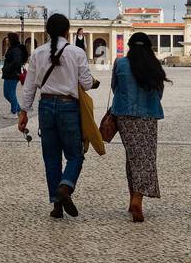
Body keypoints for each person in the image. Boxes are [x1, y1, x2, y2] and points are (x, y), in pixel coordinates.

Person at [18, 13, 99, 219]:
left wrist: (23, 112)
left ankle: (56, 206)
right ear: (67, 31)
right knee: (75, 154)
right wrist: (94, 82)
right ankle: (66, 186)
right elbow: (87, 83)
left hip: (45, 106)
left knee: (51, 157)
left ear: (47, 31)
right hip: (68, 106)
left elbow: (30, 86)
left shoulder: (37, 53)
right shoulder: (76, 52)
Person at [110, 32, 168, 222]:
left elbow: (114, 87)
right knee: (146, 158)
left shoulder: (120, 64)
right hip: (148, 116)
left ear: (129, 46)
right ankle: (137, 199)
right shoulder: (154, 65)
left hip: (124, 117)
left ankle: (132, 199)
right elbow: (159, 92)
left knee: (132, 156)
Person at [0, 32, 28, 116]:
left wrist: (6, 68)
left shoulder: (16, 49)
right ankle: (18, 110)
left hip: (13, 74)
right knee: (6, 94)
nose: (7, 39)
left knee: (11, 93)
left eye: (8, 38)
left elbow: (16, 61)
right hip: (8, 74)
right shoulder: (12, 48)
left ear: (11, 39)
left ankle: (13, 112)